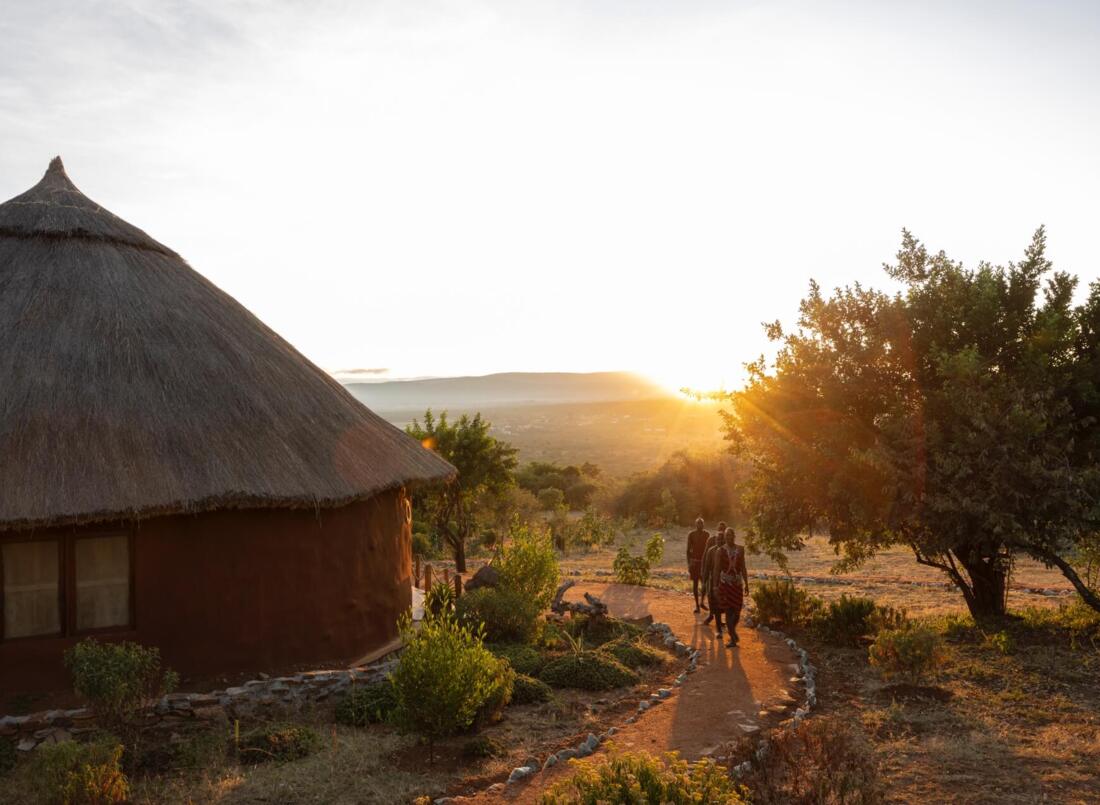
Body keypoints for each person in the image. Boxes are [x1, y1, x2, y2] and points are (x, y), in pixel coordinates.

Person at [715, 526, 750, 647]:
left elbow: (743, 567)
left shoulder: (740, 549)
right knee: (729, 611)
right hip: (725, 584)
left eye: (731, 535)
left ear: (734, 536)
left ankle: (731, 630)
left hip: (737, 584)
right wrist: (715, 586)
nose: (729, 538)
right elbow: (717, 569)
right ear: (724, 537)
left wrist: (746, 583)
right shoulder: (720, 551)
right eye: (726, 536)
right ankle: (733, 637)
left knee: (737, 611)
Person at [701, 522, 726, 631]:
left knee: (722, 599)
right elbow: (706, 564)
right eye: (719, 529)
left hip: (724, 579)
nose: (719, 541)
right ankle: (712, 616)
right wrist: (704, 580)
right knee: (711, 598)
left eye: (723, 530)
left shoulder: (727, 548)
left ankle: (718, 621)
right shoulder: (711, 547)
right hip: (712, 577)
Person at [686, 517, 710, 613]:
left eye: (701, 523)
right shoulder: (691, 535)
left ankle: (702, 602)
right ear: (696, 525)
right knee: (695, 584)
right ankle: (697, 605)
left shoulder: (707, 534)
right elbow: (688, 550)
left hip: (703, 563)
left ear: (703, 525)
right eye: (698, 523)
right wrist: (689, 563)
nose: (700, 525)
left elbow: (709, 550)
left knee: (705, 584)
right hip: (695, 563)